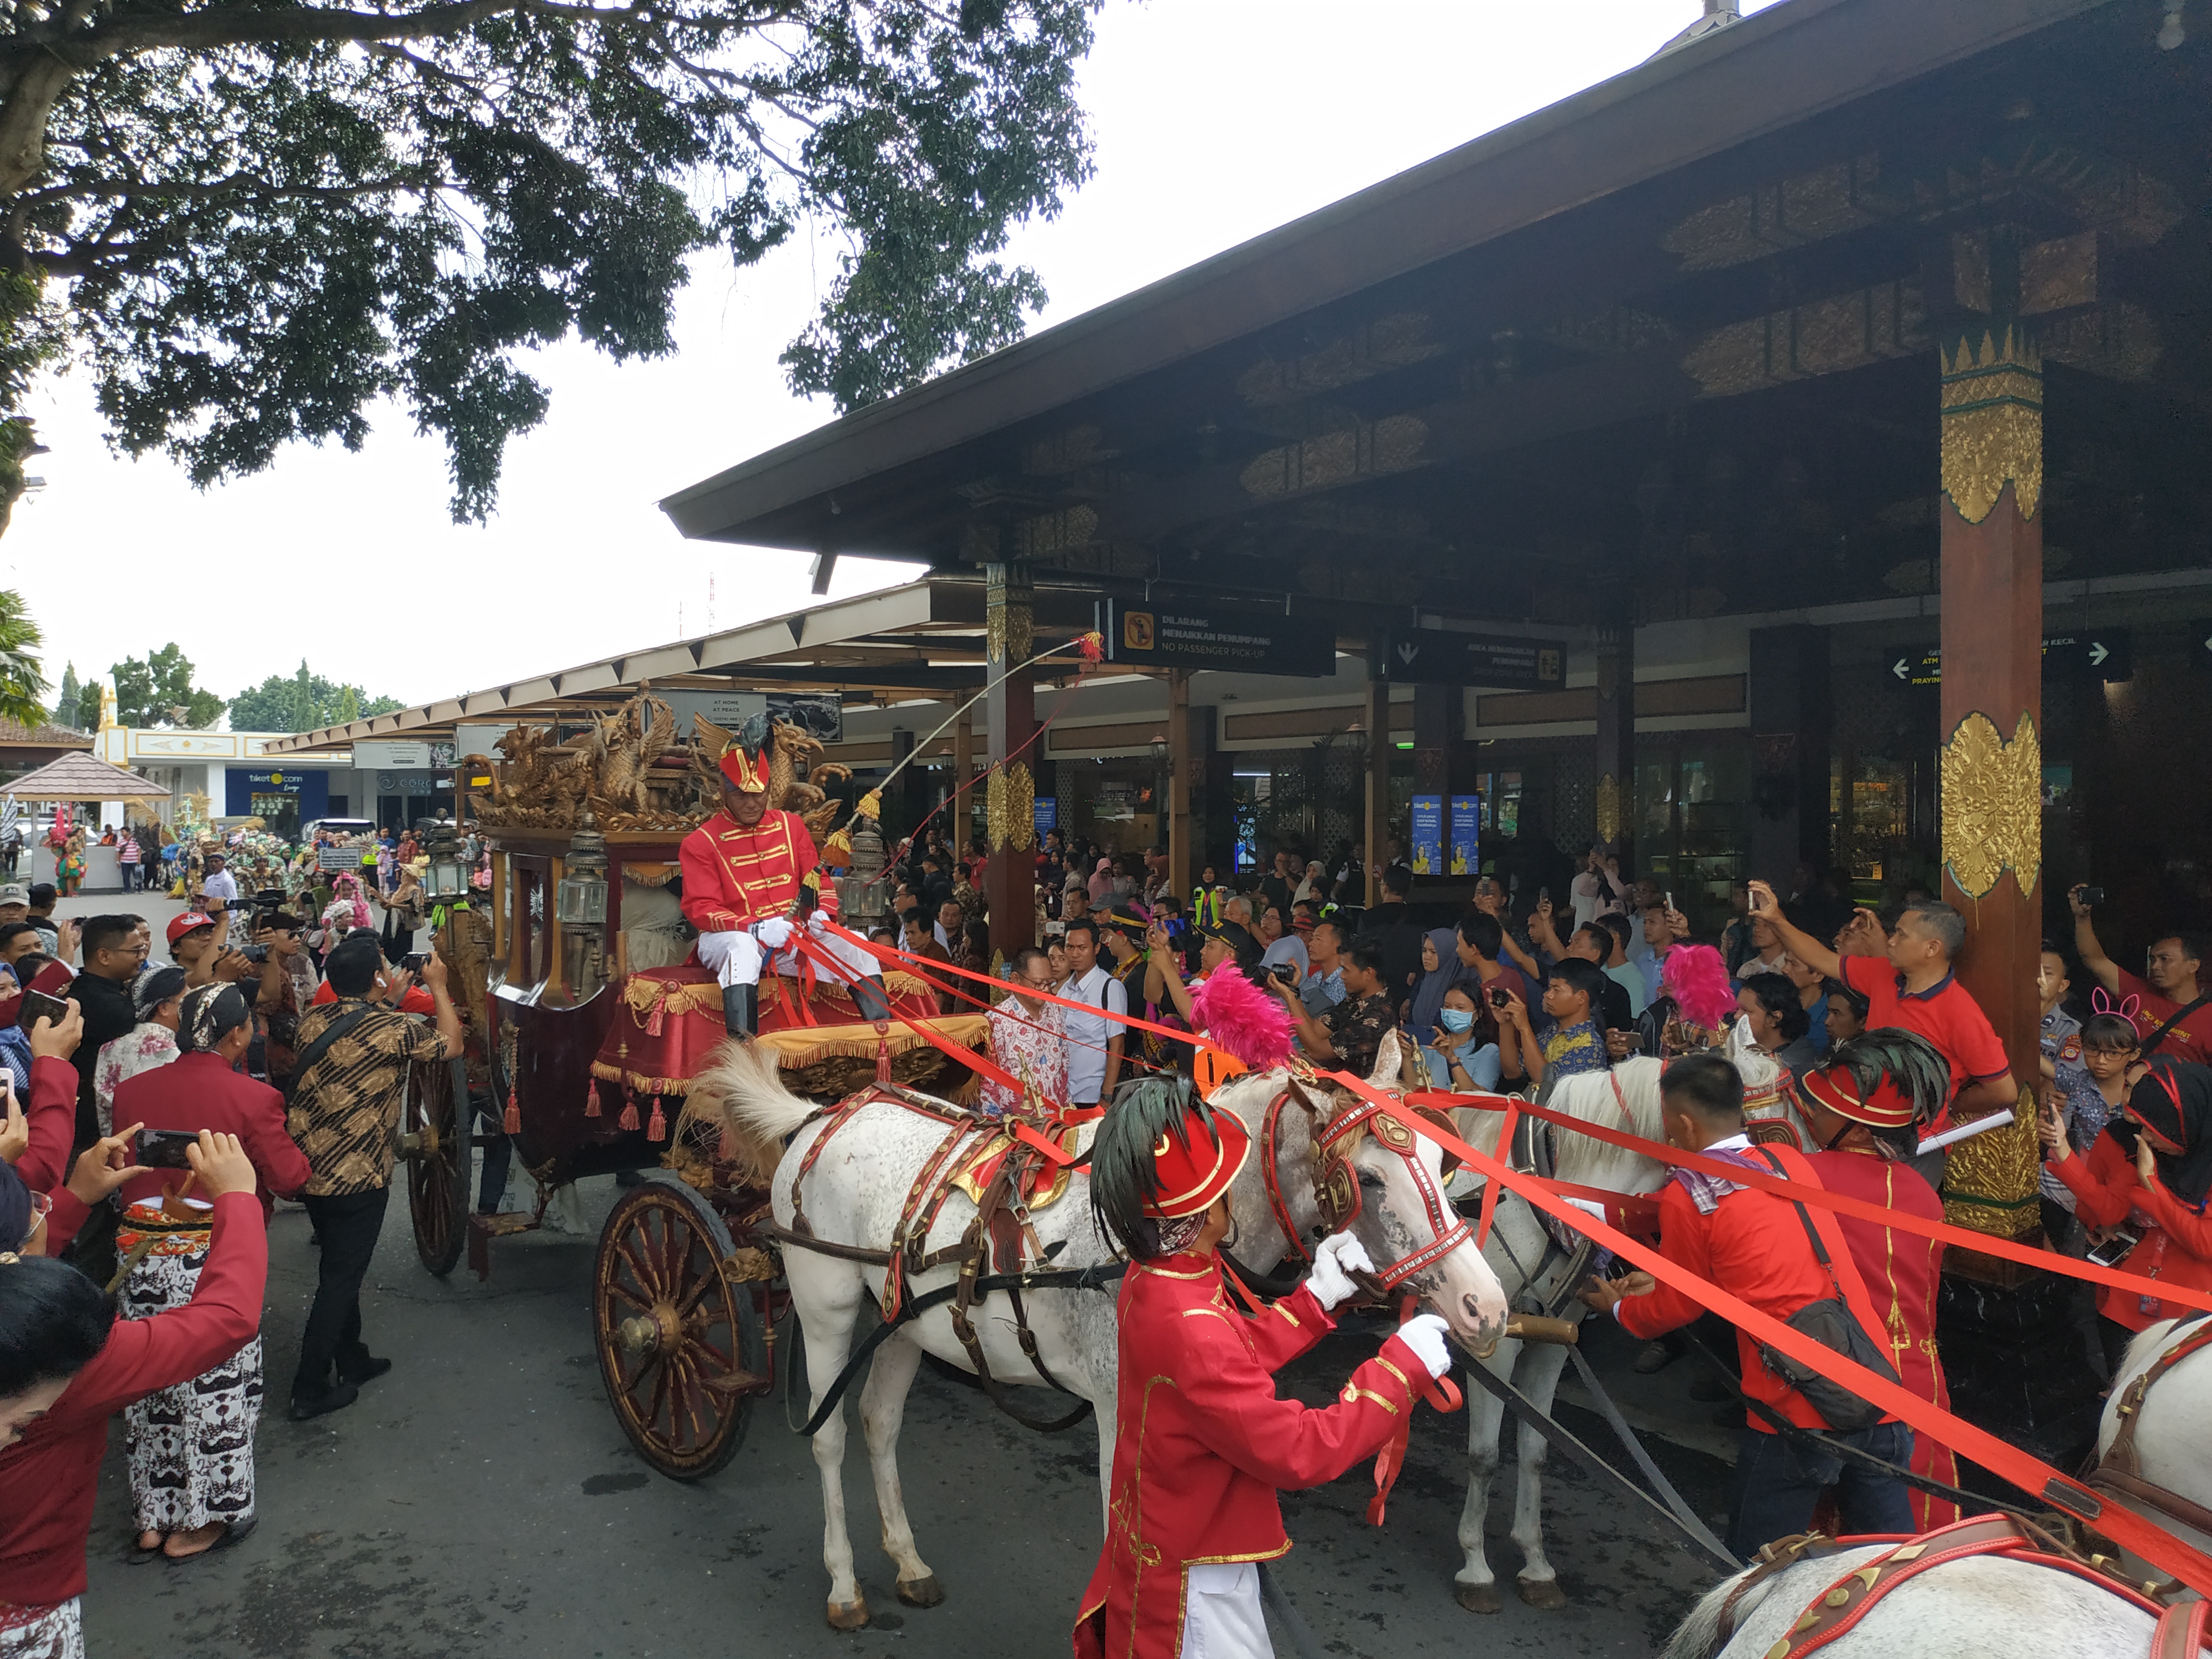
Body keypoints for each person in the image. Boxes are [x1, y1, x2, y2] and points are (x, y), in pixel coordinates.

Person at [1072, 1077, 1449, 1659]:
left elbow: (1228, 1357)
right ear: (1199, 1212)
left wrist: (1314, 1300)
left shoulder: (1159, 1276)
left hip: (1176, 1535)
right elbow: (1299, 1451)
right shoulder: (1189, 1320)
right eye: (1225, 1188)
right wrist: (1400, 1370)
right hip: (1195, 1581)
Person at [1577, 1053, 1913, 1555]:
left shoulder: (1687, 1196)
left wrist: (1619, 1310)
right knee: (1892, 1562)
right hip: (1874, 1385)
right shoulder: (1790, 1162)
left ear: (1683, 1123)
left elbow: (1677, 1309)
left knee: (1757, 1568)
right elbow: (1763, 1255)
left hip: (1794, 1410)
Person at [0, 1129, 266, 1653]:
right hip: (26, 1610)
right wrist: (238, 1197)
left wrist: (75, 1197)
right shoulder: (60, 1362)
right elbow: (227, 1318)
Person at [111, 983, 311, 1559]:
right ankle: (208, 1516)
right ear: (236, 1036)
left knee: (149, 1386)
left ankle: (154, 1514)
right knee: (216, 1390)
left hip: (140, 1259)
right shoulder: (252, 1098)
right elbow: (291, 1177)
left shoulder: (133, 1090)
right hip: (209, 1252)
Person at [283, 935, 462, 1418]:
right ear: (377, 979)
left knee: (339, 1270)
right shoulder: (393, 1028)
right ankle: (309, 1388)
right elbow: (451, 1044)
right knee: (339, 1280)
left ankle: (352, 1358)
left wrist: (387, 996)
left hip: (309, 1169)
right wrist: (439, 988)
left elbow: (360, 1023)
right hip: (357, 1175)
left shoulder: (311, 1021)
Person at [1797, 1031, 1962, 1530]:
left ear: (1858, 1128)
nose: (1811, 1115)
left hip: (1838, 1371)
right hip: (1918, 1375)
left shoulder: (1802, 1176)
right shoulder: (1921, 1192)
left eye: (1823, 1110)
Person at [1748, 880, 2014, 1135]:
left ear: (1932, 948)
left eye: (1901, 935)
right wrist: (1777, 920)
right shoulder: (1884, 974)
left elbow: (2003, 1091)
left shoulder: (1960, 1012)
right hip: (1864, 1128)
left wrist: (1944, 1106)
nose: (1890, 941)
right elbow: (1821, 958)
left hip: (1917, 1141)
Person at [677, 719, 881, 1036]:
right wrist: (754, 927)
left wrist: (820, 916)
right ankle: (744, 1049)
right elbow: (701, 909)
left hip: (792, 935)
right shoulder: (700, 843)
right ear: (724, 791)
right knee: (742, 947)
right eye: (742, 795)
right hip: (730, 938)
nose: (751, 803)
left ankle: (885, 1037)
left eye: (758, 794)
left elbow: (820, 883)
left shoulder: (791, 826)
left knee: (858, 945)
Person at [2040, 1056, 2212, 1378]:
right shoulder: (2144, 1147)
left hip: (2191, 1310)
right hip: (2130, 1293)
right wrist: (2063, 1151)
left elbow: (2204, 1243)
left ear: (2184, 1124)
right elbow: (2108, 1208)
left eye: (2154, 1128)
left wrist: (2151, 1185)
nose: (2145, 1137)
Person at [2069, 888, 2212, 1068]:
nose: (2155, 967)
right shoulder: (2139, 990)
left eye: (2164, 960)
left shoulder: (2209, 1018)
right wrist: (2082, 918)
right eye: (2152, 959)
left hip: (2174, 1095)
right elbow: (2094, 959)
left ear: (2193, 965)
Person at [60, 914, 144, 1150]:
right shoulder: (100, 1004)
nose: (142, 957)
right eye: (136, 951)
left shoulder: (86, 986)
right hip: (93, 1121)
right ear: (105, 956)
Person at [1269, 935, 1394, 1078]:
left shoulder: (1377, 1018)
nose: (1342, 976)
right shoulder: (1355, 1000)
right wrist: (1294, 991)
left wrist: (1289, 997)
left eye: (1346, 970)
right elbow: (1314, 1031)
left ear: (1368, 973)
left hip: (1358, 1095)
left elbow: (1316, 1052)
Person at [94, 966, 186, 1136]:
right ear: (164, 1008)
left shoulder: (108, 1048)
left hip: (114, 1147)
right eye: (186, 1000)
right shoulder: (173, 1054)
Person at [1497, 957, 1609, 1093]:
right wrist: (1506, 1023)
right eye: (1549, 988)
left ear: (1581, 997)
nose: (1548, 995)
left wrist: (1525, 1028)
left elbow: (1546, 1083)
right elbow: (1512, 1072)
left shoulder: (1590, 1046)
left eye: (1556, 990)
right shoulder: (1550, 1032)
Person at [980, 947, 1066, 1118]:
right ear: (1016, 979)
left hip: (1055, 1120)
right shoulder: (996, 1021)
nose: (1046, 990)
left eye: (1050, 983)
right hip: (1015, 1126)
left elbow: (1063, 1065)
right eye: (1038, 984)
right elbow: (987, 1084)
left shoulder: (1056, 1011)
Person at [1059, 920, 1126, 1108]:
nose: (1075, 954)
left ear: (1097, 948)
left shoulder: (1110, 988)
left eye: (1082, 948)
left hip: (1092, 1093)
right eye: (1070, 947)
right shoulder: (1064, 990)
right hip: (1063, 1093)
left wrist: (1107, 1096)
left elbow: (1117, 1045)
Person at [1738, 971, 1819, 1081]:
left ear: (1775, 1019)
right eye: (1738, 1009)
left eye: (1746, 1011)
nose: (1737, 1016)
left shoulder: (1794, 1066)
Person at [1779, 951, 1831, 1060]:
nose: (1784, 969)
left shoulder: (1833, 1017)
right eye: (1786, 962)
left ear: (1818, 975)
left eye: (1794, 964)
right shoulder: (1777, 1008)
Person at [1298, 917, 1347, 1017]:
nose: (1311, 944)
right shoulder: (1317, 976)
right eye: (1312, 939)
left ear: (1336, 946)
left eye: (1318, 939)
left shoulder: (1344, 981)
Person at [117, 827, 142, 893]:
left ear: (128, 832)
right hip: (124, 862)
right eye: (121, 832)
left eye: (123, 832)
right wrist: (118, 861)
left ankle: (140, 889)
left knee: (137, 876)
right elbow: (118, 852)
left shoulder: (135, 841)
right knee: (126, 877)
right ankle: (127, 890)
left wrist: (139, 859)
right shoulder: (121, 842)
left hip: (134, 861)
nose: (122, 834)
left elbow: (139, 850)